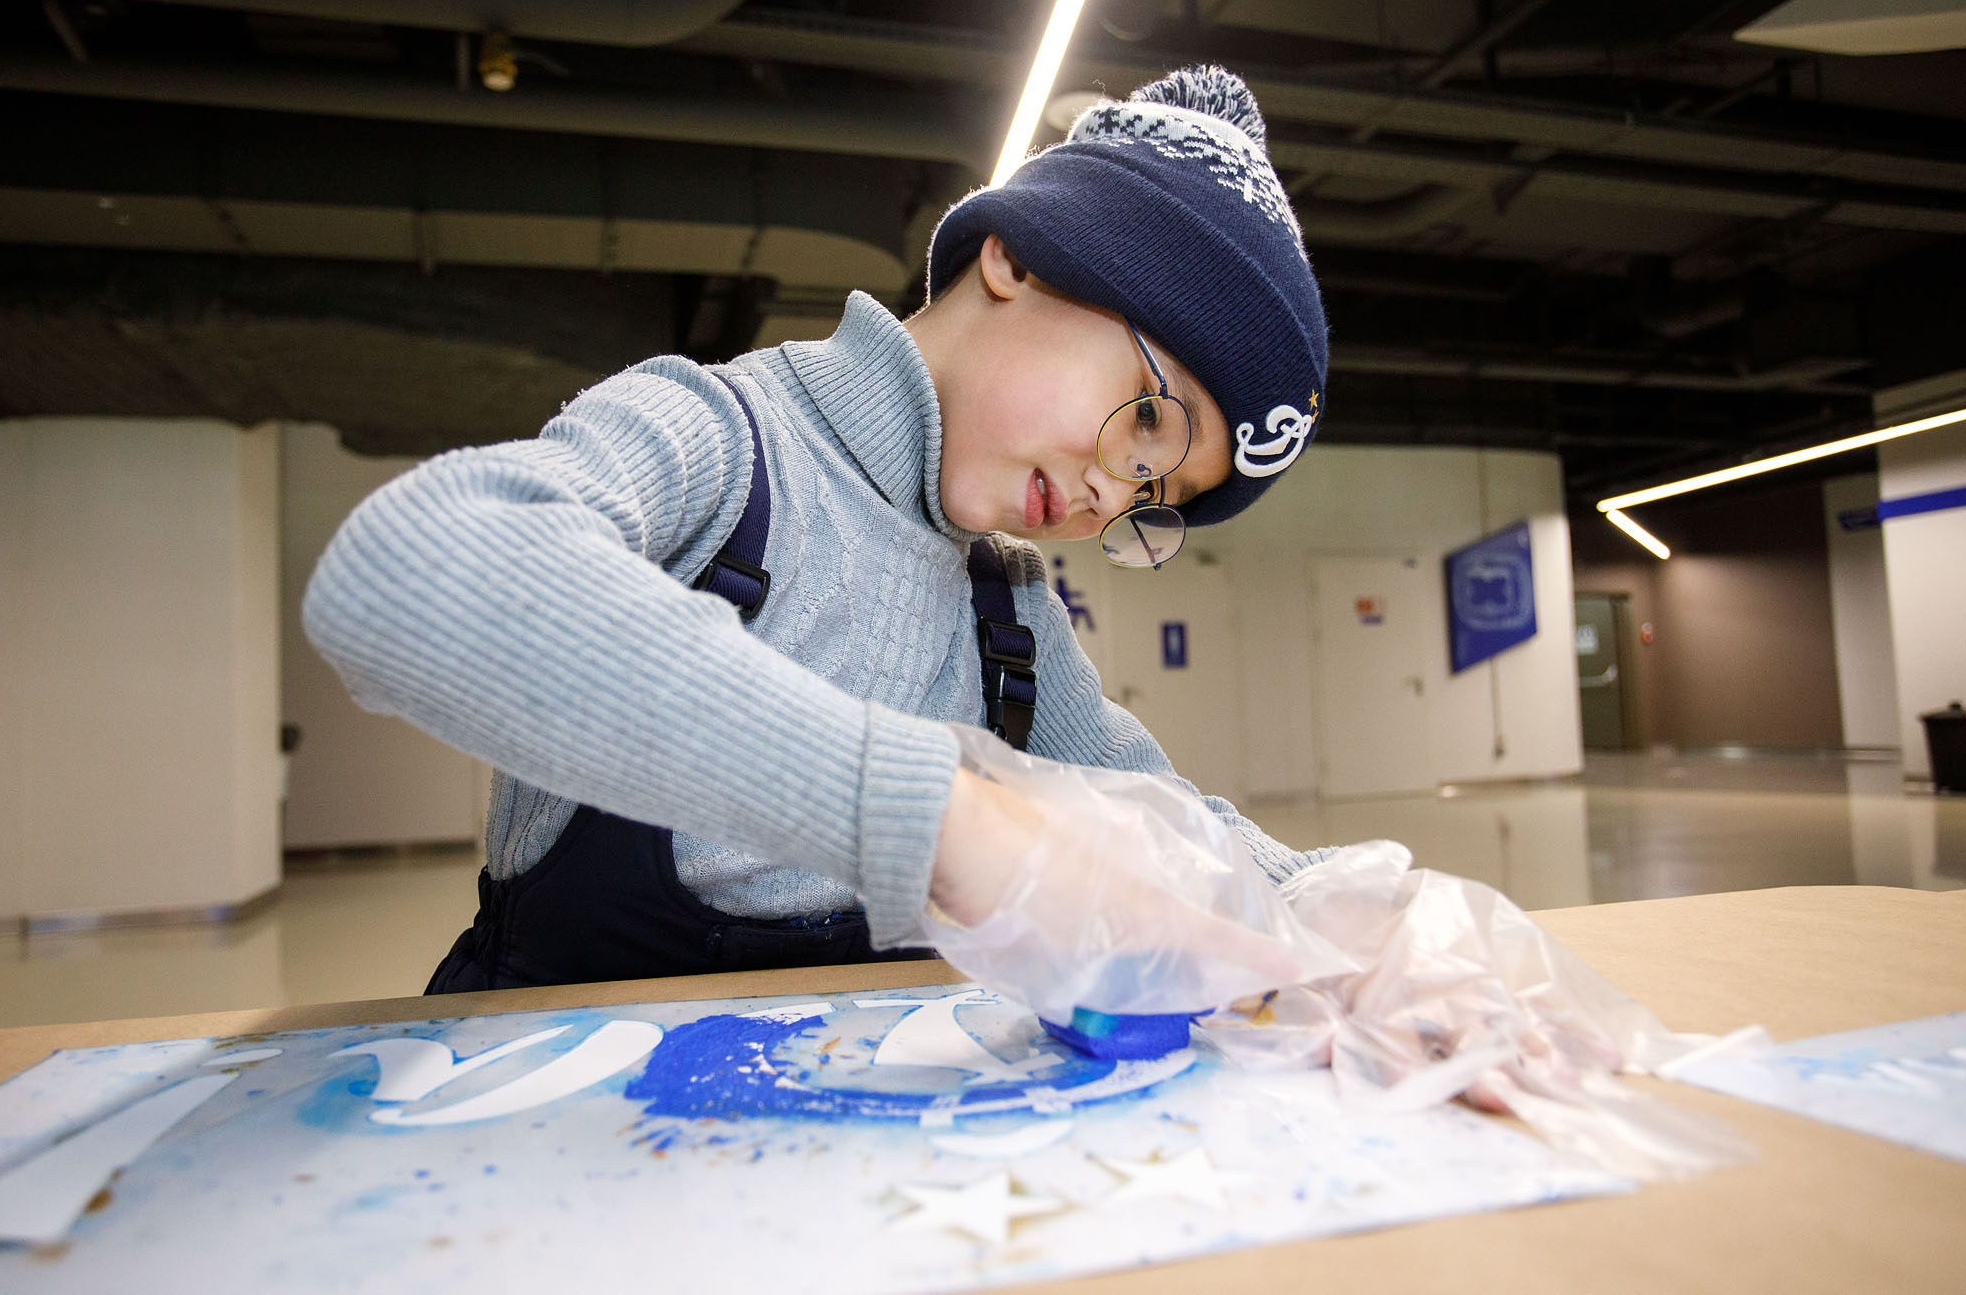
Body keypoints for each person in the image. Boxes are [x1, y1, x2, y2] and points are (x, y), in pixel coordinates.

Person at [303, 65, 1331, 994]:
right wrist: (936, 822)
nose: (1114, 497)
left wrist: (1369, 934)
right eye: (1147, 419)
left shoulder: (1003, 608)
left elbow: (1172, 826)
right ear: (1017, 259)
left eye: (1152, 502)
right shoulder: (718, 444)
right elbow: (408, 566)